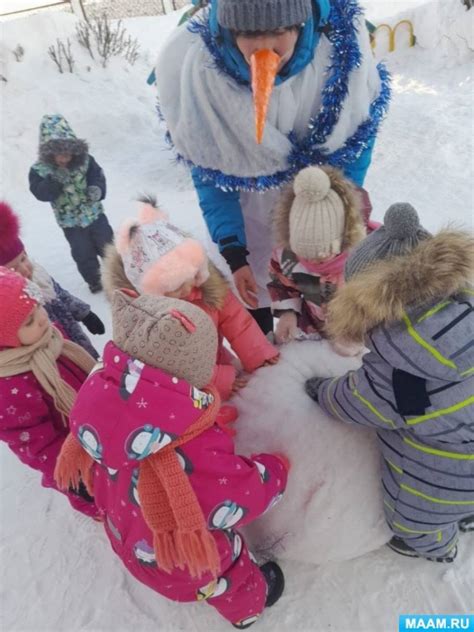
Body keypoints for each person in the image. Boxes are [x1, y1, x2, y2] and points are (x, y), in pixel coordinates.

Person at [55, 292, 289, 628]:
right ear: (189, 374)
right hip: (190, 561)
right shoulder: (192, 447)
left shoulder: (100, 418)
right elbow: (237, 496)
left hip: (131, 543)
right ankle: (247, 611)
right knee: (233, 576)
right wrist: (274, 471)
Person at [155, 0, 390, 333]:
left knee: (322, 303)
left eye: (278, 31)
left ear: (298, 24)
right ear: (229, 29)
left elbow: (354, 145)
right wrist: (234, 252)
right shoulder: (203, 75)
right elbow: (211, 178)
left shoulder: (339, 55)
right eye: (249, 33)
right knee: (260, 307)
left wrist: (337, 213)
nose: (264, 47)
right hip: (251, 225)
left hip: (318, 226)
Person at [305, 204, 474, 562]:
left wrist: (322, 391)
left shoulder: (401, 368)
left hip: (451, 471)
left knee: (414, 516)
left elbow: (358, 402)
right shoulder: (466, 307)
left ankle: (435, 547)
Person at [102, 198, 279, 400]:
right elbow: (169, 366)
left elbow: (237, 321)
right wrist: (218, 379)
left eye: (193, 276)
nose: (188, 288)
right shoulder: (147, 325)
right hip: (183, 393)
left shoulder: (204, 287)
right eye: (176, 287)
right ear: (152, 293)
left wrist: (259, 356)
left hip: (217, 361)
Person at [0, 267, 98, 517]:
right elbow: (34, 443)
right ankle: (103, 512)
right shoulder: (10, 385)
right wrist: (72, 476)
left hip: (95, 425)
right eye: (29, 320)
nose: (43, 318)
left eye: (38, 307)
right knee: (99, 493)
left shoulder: (49, 335)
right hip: (73, 454)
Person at [267, 165, 366, 346]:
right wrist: (288, 312)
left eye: (321, 254)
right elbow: (282, 284)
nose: (313, 261)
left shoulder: (363, 260)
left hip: (358, 338)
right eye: (305, 254)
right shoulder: (288, 258)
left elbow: (381, 302)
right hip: (313, 330)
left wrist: (357, 333)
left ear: (343, 239)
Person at [0, 201, 104, 359]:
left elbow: (61, 294)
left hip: (78, 345)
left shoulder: (39, 275)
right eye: (13, 268)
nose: (25, 269)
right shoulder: (10, 305)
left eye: (23, 259)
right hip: (54, 357)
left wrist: (85, 313)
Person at [28, 114, 113, 293]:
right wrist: (54, 181)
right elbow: (40, 192)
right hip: (70, 223)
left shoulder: (86, 161)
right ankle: (95, 280)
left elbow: (97, 176)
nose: (64, 159)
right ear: (48, 153)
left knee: (108, 245)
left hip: (95, 214)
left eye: (67, 154)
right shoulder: (40, 170)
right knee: (83, 253)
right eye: (58, 155)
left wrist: (96, 188)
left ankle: (116, 272)